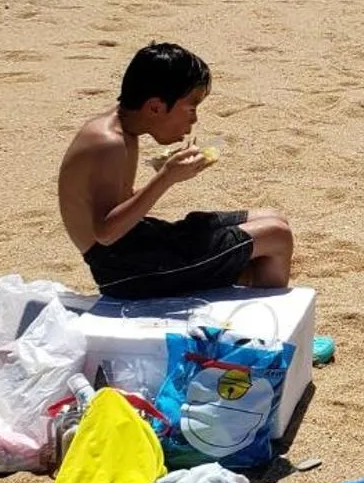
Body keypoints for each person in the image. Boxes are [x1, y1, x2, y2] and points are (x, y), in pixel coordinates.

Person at [58, 43, 293, 298]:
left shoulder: (122, 128)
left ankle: (243, 288)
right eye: (191, 109)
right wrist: (166, 178)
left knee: (273, 217)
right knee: (277, 236)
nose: (193, 121)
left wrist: (165, 169)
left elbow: (117, 202)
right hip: (125, 268)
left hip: (142, 242)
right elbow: (104, 234)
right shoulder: (108, 143)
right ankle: (266, 328)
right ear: (156, 107)